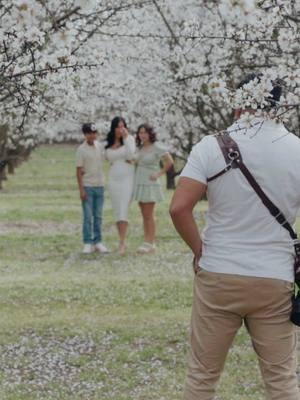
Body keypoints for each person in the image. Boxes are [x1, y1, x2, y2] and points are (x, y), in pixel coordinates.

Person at [169, 75, 300, 400]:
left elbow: (179, 208)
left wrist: (200, 250)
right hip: (274, 276)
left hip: (220, 272)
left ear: (239, 101)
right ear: (279, 103)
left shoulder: (211, 146)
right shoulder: (296, 149)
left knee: (202, 377)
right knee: (282, 381)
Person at [133, 123, 173, 253]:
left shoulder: (157, 147)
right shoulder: (139, 147)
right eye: (140, 132)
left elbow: (169, 162)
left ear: (150, 133)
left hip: (150, 184)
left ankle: (150, 243)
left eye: (145, 132)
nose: (142, 135)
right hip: (140, 181)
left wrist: (159, 174)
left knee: (148, 214)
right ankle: (147, 241)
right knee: (144, 214)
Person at [76, 123, 109, 254]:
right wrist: (81, 190)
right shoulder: (81, 150)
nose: (92, 135)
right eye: (89, 133)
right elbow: (78, 171)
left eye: (94, 133)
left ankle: (98, 241)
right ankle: (87, 242)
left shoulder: (100, 147)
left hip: (100, 185)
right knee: (88, 216)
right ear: (85, 135)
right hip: (88, 186)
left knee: (98, 216)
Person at [105, 116, 136, 254]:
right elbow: (106, 156)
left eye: (122, 126)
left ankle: (122, 243)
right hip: (113, 178)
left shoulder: (129, 140)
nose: (120, 129)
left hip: (127, 178)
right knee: (117, 210)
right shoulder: (109, 142)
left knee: (123, 208)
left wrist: (125, 138)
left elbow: (130, 155)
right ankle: (121, 239)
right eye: (117, 127)